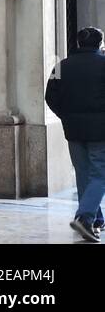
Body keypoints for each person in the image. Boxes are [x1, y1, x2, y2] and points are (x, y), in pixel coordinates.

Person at [45, 26, 105, 242]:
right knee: (100, 174)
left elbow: (50, 96)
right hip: (100, 130)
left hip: (73, 129)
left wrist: (66, 115)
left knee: (83, 173)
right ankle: (85, 217)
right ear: (99, 44)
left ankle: (95, 220)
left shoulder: (61, 65)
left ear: (79, 43)